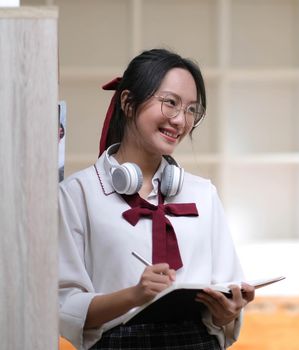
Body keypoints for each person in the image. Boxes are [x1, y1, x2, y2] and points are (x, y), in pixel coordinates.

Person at [58, 48, 255, 350]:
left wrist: (226, 314)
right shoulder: (78, 194)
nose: (180, 120)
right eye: (171, 103)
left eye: (191, 109)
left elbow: (225, 301)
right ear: (127, 102)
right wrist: (135, 295)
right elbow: (66, 308)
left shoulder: (204, 194)